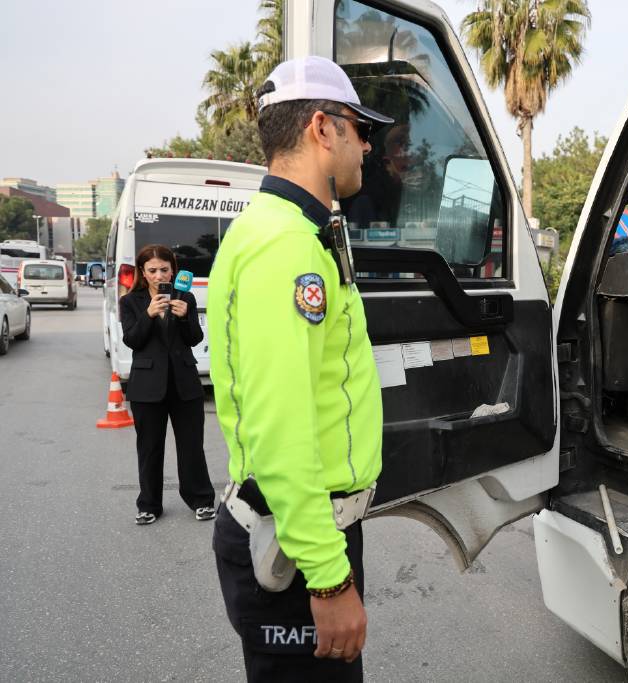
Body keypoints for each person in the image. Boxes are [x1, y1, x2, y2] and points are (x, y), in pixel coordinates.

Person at [207, 56, 392, 681]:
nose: (367, 145)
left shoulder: (277, 229)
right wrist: (330, 578)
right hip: (297, 547)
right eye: (360, 128)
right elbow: (281, 430)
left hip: (297, 531)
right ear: (322, 127)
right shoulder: (287, 246)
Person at [119, 244, 216, 525]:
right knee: (149, 448)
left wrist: (186, 316)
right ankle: (149, 504)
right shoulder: (131, 302)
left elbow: (195, 338)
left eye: (164, 269)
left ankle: (201, 499)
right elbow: (132, 340)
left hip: (184, 383)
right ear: (143, 273)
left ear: (173, 270)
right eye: (153, 270)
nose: (159, 275)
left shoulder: (185, 296)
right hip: (147, 387)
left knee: (192, 446)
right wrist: (149, 314)